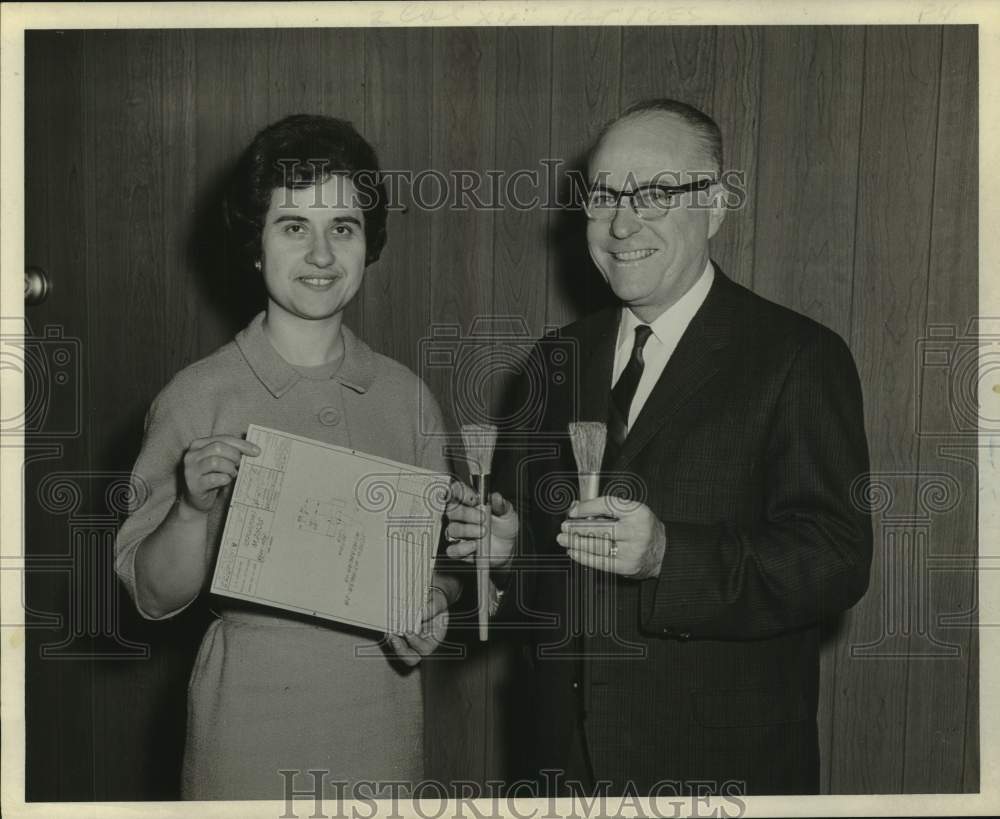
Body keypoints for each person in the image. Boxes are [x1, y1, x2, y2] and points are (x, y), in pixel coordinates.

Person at [445, 98, 873, 795]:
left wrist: (669, 555)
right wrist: (508, 550)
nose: (622, 222)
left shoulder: (798, 357)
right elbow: (547, 582)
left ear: (717, 204)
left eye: (656, 193)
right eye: (606, 195)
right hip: (561, 770)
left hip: (719, 769)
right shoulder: (556, 361)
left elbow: (835, 559)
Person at [115, 114, 459, 800]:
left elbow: (441, 563)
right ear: (254, 243)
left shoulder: (406, 397)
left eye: (344, 227)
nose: (322, 254)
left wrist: (437, 601)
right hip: (247, 733)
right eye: (294, 226)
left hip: (382, 729)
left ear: (370, 243)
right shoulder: (196, 396)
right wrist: (189, 508)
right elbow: (150, 595)